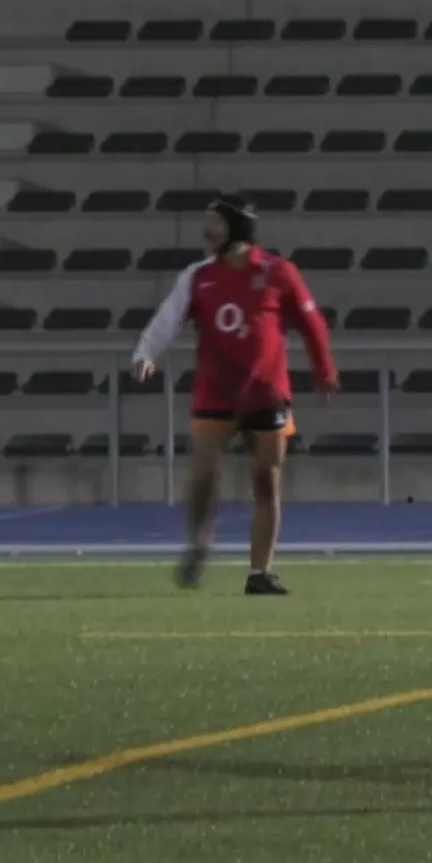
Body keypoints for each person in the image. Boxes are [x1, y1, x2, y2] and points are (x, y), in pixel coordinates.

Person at [132, 198, 339, 595]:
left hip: (268, 393)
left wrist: (325, 369)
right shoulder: (198, 276)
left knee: (266, 481)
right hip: (216, 393)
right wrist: (145, 354)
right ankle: (199, 542)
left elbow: (313, 323)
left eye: (214, 222)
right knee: (204, 473)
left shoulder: (280, 273)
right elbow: (167, 318)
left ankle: (260, 572)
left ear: (236, 228)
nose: (206, 231)